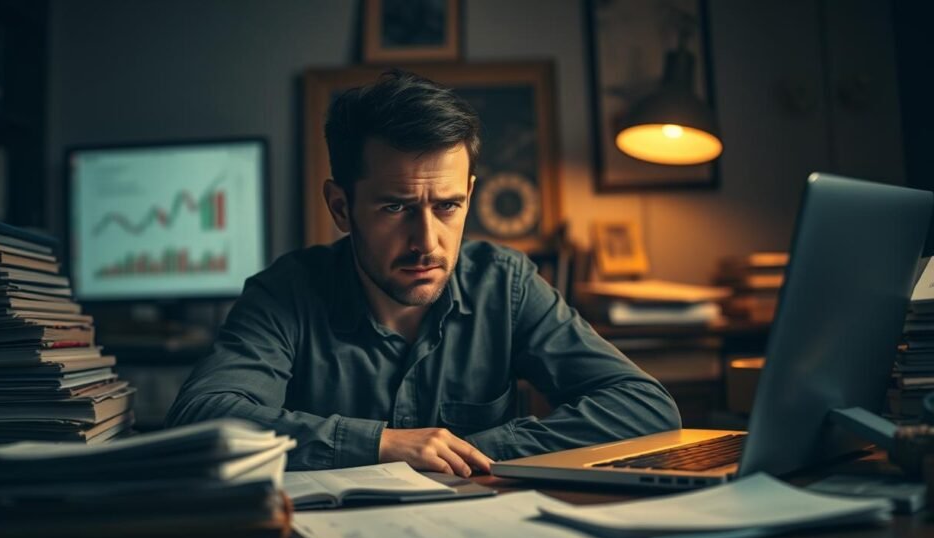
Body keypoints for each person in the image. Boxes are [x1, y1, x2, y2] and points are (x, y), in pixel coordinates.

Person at [166, 70, 680, 477]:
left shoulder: (506, 283)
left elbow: (645, 408)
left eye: (448, 206)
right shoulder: (287, 293)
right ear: (341, 208)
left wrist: (468, 451)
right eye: (396, 208)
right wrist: (381, 445)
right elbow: (202, 418)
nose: (427, 241)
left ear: (470, 196)